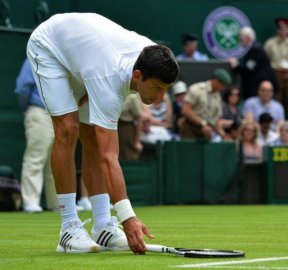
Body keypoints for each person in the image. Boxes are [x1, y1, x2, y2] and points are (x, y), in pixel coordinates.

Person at [26, 13, 179, 254]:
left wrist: (88, 80)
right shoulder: (109, 78)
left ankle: (103, 227)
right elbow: (110, 159)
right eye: (156, 88)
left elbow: (101, 151)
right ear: (137, 76)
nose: (160, 98)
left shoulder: (152, 57)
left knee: (93, 140)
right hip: (50, 47)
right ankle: (68, 229)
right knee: (68, 129)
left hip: (86, 56)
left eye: (165, 90)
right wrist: (128, 218)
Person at [14, 59, 57, 213]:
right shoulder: (34, 58)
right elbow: (22, 88)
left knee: (57, 160)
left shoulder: (62, 58)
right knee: (35, 158)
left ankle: (58, 203)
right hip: (39, 110)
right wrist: (29, 108)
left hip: (60, 115)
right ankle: (30, 202)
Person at [264, 17, 288, 122]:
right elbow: (265, 61)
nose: (282, 31)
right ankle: (276, 126)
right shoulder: (270, 43)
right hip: (276, 75)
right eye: (280, 28)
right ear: (277, 30)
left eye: (285, 28)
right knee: (276, 101)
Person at [179, 69, 231, 140]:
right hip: (190, 128)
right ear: (215, 80)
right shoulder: (197, 89)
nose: (223, 88)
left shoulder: (218, 96)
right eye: (222, 84)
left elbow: (216, 120)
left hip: (208, 131)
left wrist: (223, 135)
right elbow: (186, 110)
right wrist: (203, 124)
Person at [228, 27, 276, 100]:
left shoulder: (255, 49)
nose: (239, 40)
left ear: (247, 37)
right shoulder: (254, 48)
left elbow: (248, 69)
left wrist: (235, 66)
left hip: (255, 89)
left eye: (241, 38)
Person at [118, 93, 144, 161]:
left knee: (128, 155)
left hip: (127, 129)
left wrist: (137, 141)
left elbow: (139, 119)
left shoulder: (132, 97)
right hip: (114, 128)